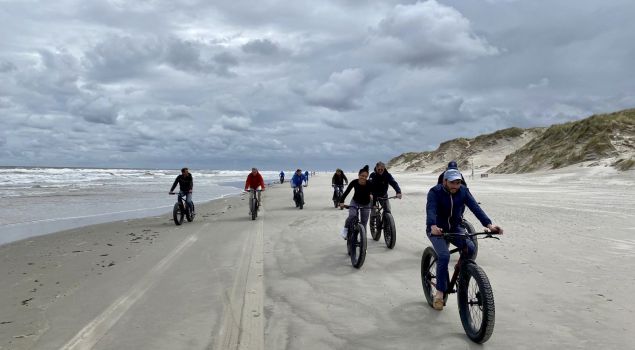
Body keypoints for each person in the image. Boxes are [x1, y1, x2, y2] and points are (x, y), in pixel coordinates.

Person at [426, 168, 503, 311]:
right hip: (437, 229)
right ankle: (439, 293)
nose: (455, 185)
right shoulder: (435, 192)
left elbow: (475, 208)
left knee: (470, 249)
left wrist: (489, 224)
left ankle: (462, 273)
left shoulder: (463, 191)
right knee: (444, 255)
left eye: (458, 182)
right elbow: (431, 209)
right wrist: (432, 225)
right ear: (445, 181)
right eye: (452, 182)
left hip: (455, 227)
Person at [338, 165, 373, 239]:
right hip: (355, 202)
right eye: (362, 175)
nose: (363, 177)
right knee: (352, 216)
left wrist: (374, 201)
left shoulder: (369, 183)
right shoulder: (354, 182)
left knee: (364, 223)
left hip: (366, 204)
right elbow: (346, 192)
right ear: (359, 175)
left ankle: (363, 240)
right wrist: (341, 201)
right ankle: (345, 229)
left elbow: (374, 194)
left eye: (365, 176)